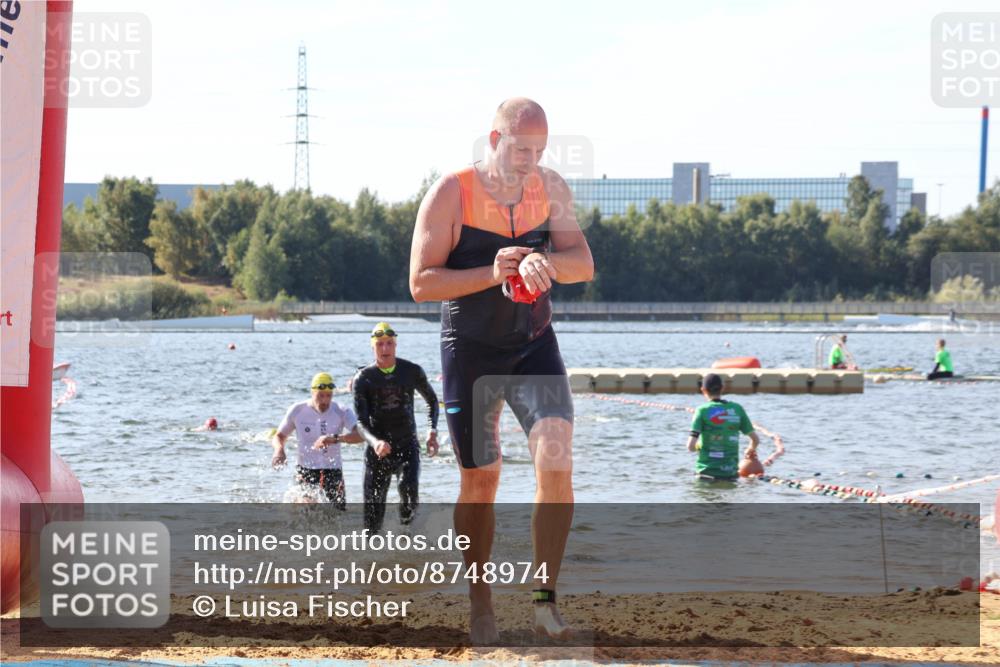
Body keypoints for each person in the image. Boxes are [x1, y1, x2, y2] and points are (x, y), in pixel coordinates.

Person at [409, 98, 594, 643]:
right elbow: (422, 283)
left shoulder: (550, 189)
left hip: (533, 344)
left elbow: (582, 263)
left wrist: (548, 265)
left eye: (539, 151)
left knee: (556, 455)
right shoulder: (451, 193)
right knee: (481, 480)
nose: (529, 161)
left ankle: (543, 603)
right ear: (493, 141)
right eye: (520, 149)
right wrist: (492, 272)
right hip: (470, 351)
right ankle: (480, 599)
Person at [352, 322, 440, 533]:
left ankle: (407, 542)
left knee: (408, 491)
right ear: (372, 347)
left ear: (395, 345)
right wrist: (376, 442)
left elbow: (432, 401)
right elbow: (361, 424)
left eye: (389, 343)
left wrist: (432, 430)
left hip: (406, 444)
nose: (385, 349)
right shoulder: (363, 379)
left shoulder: (411, 371)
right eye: (380, 344)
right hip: (377, 451)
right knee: (372, 520)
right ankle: (373, 557)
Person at [271, 372, 364, 507]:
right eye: (321, 395)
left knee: (337, 516)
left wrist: (336, 439)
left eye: (329, 395)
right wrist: (279, 450)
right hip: (306, 470)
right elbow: (279, 436)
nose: (325, 400)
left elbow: (361, 435)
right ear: (312, 392)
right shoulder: (297, 410)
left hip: (333, 471)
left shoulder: (342, 411)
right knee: (305, 508)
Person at [687, 373, 760, 481]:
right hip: (730, 475)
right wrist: (750, 449)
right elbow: (755, 439)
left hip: (706, 473)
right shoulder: (737, 409)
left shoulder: (701, 410)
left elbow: (690, 446)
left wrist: (700, 447)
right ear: (722, 388)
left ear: (703, 390)